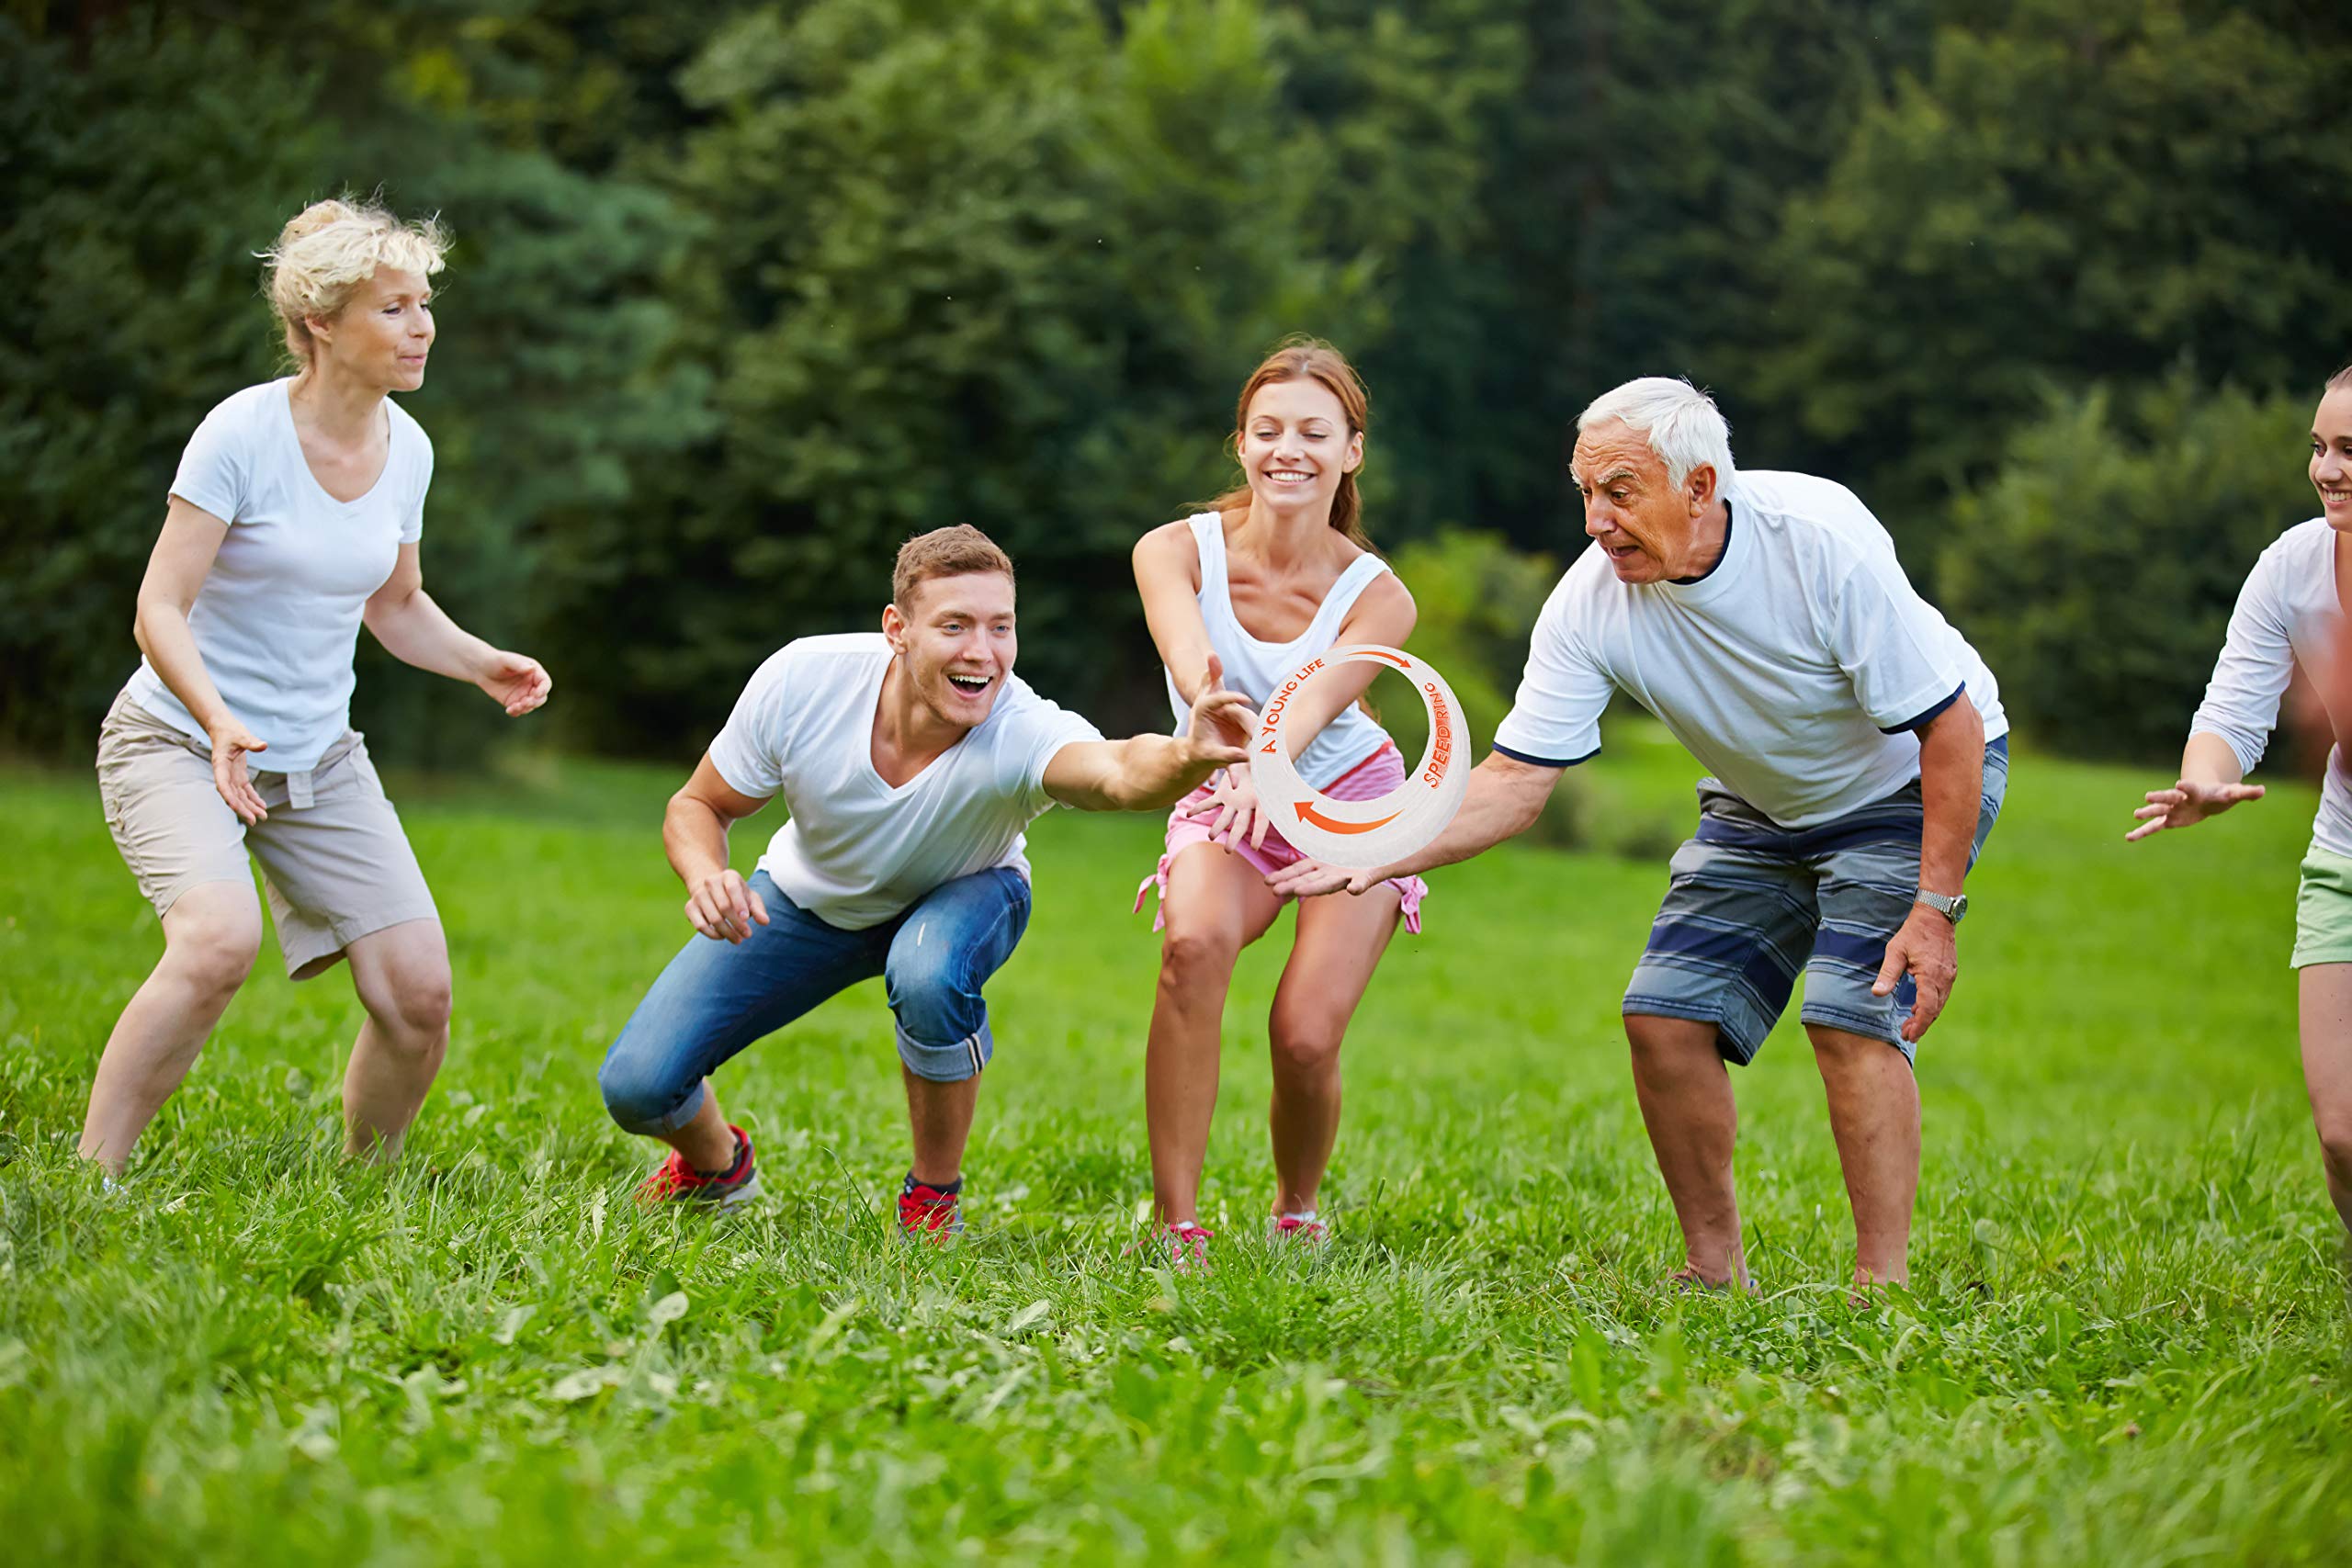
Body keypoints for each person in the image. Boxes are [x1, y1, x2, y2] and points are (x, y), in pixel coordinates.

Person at [1273, 377, 2007, 1292]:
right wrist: (1376, 847)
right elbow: (1512, 781)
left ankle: (1879, 1289)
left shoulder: (1818, 542)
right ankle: (1712, 1271)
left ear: (1700, 486)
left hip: (1907, 779)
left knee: (1849, 1016)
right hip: (1758, 799)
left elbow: (1950, 728)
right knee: (1662, 1019)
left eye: (1619, 492)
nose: (1595, 520)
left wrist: (1933, 910)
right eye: (1584, 493)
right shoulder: (1589, 606)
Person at [597, 525, 1253, 1235]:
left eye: (1001, 627)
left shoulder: (1018, 726)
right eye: (955, 625)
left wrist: (1190, 752)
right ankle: (716, 1169)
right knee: (637, 1086)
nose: (983, 651)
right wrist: (706, 872)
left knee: (928, 967)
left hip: (967, 893)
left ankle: (933, 1201)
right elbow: (698, 805)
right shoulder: (803, 681)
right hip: (807, 899)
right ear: (898, 629)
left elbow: (1118, 771)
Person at [85, 197, 552, 1175]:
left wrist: (478, 661)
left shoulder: (406, 449)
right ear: (319, 325)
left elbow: (395, 603)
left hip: (316, 757)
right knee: (217, 945)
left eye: (423, 303)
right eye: (392, 308)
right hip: (176, 737)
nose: (421, 326)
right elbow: (157, 609)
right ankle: (94, 1175)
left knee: (418, 994)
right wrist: (216, 720)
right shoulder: (242, 433)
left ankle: (362, 1186)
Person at [1129, 339, 1426, 1267]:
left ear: (1351, 452)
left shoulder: (1380, 598)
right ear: (1242, 445)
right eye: (1267, 431)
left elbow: (1318, 701)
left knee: (1302, 1033)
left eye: (1312, 432)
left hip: (1348, 796)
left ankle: (1295, 1206)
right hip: (1225, 780)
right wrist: (1216, 717)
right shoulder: (1173, 551)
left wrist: (1264, 754)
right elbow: (1188, 655)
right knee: (1191, 946)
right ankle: (1177, 1223)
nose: (1286, 449)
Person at [2126, 363, 2352, 1235]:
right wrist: (2206, 776)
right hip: (2343, 856)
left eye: (2348, 449)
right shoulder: (2293, 567)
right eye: (2318, 447)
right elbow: (2231, 707)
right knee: (2341, 1137)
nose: (2327, 468)